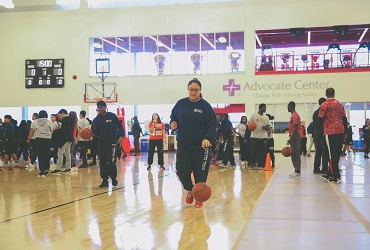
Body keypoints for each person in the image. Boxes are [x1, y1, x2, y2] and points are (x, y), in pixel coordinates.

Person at [170, 78, 217, 208]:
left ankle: (199, 198)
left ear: (200, 90)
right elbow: (173, 117)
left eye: (196, 90)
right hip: (184, 144)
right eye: (191, 89)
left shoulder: (205, 106)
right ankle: (192, 190)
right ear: (188, 90)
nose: (193, 92)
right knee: (181, 171)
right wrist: (174, 124)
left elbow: (212, 125)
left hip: (201, 146)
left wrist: (208, 138)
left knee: (200, 173)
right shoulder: (180, 104)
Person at [92, 101, 124, 188]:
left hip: (112, 143)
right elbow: (94, 131)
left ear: (105, 107)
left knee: (111, 161)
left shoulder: (112, 116)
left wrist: (121, 136)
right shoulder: (96, 119)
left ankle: (113, 178)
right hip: (102, 142)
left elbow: (120, 126)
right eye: (98, 108)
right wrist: (90, 133)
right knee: (102, 161)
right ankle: (105, 180)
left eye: (101, 107)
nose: (100, 109)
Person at [318, 87, 347, 183]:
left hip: (330, 132)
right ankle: (332, 173)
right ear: (334, 94)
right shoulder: (340, 105)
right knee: (337, 153)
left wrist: (320, 132)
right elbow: (344, 119)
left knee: (330, 154)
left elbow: (320, 119)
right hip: (340, 132)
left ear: (326, 94)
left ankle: (336, 176)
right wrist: (345, 132)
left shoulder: (324, 105)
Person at [27, 110, 52, 177]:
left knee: (40, 155)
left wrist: (29, 139)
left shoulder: (35, 122)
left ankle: (42, 170)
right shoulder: (48, 121)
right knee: (46, 154)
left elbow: (32, 131)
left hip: (38, 139)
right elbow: (51, 130)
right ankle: (46, 169)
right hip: (47, 139)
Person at [50, 109, 75, 174]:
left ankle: (58, 168)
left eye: (60, 115)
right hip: (70, 138)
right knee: (67, 153)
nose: (59, 117)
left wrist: (56, 130)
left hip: (65, 139)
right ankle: (68, 167)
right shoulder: (71, 119)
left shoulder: (65, 120)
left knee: (60, 153)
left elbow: (63, 131)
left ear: (63, 113)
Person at [248, 104, 271, 170]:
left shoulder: (266, 117)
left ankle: (260, 165)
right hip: (254, 136)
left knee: (262, 152)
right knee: (253, 151)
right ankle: (251, 164)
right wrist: (250, 128)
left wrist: (265, 128)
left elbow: (269, 128)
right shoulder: (253, 115)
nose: (265, 109)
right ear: (260, 108)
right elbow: (249, 125)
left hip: (263, 137)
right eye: (264, 107)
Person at [312, 97, 329, 175]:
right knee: (324, 151)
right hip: (322, 133)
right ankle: (325, 168)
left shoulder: (315, 112)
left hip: (315, 134)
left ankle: (316, 168)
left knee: (318, 151)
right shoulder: (323, 112)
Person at [287, 101, 302, 178]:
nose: (287, 108)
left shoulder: (295, 115)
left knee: (295, 153)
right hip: (294, 136)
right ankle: (296, 170)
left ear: (291, 106)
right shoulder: (293, 115)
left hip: (295, 136)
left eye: (288, 106)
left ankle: (297, 171)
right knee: (294, 153)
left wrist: (291, 138)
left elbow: (295, 128)